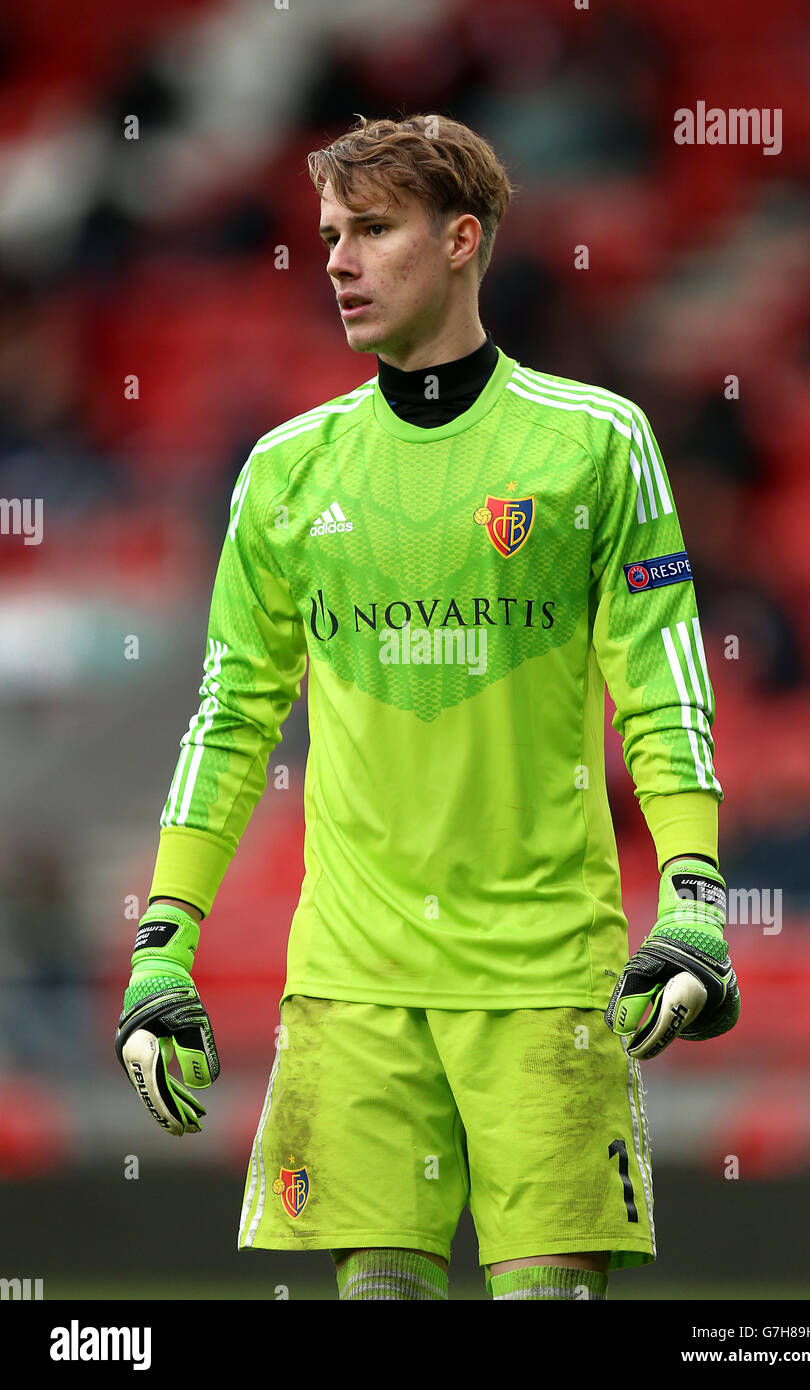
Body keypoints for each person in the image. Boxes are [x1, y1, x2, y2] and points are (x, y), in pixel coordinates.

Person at [115, 113, 739, 1302]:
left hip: (547, 979)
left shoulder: (596, 446)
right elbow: (229, 722)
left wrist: (696, 897)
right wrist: (163, 945)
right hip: (353, 982)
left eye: (372, 230)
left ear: (462, 241)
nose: (337, 261)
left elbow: (663, 689)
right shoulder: (285, 473)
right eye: (328, 235)